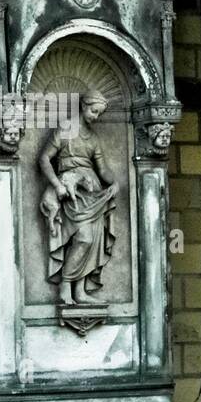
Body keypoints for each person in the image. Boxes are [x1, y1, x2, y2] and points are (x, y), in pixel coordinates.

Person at [38, 91, 118, 307]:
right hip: (71, 187)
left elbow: (103, 170)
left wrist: (114, 183)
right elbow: (44, 158)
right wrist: (57, 185)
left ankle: (80, 291)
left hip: (93, 192)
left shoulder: (93, 138)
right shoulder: (65, 129)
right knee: (83, 238)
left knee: (93, 241)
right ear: (83, 106)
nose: (95, 117)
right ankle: (65, 285)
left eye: (99, 113)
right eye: (94, 111)